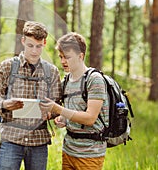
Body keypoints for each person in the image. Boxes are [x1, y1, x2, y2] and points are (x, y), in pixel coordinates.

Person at [0, 21, 62, 170]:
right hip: (11, 139)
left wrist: (50, 113)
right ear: (23, 41)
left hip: (39, 142)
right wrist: (4, 104)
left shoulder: (52, 71)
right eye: (30, 45)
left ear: (44, 43)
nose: (34, 51)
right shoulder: (7, 66)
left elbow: (57, 105)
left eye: (38, 46)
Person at [39, 32, 109, 170]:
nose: (63, 61)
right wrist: (62, 119)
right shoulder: (66, 80)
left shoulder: (94, 80)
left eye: (67, 57)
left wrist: (59, 110)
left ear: (80, 56)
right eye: (61, 57)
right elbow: (72, 111)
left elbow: (90, 119)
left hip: (90, 155)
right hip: (68, 151)